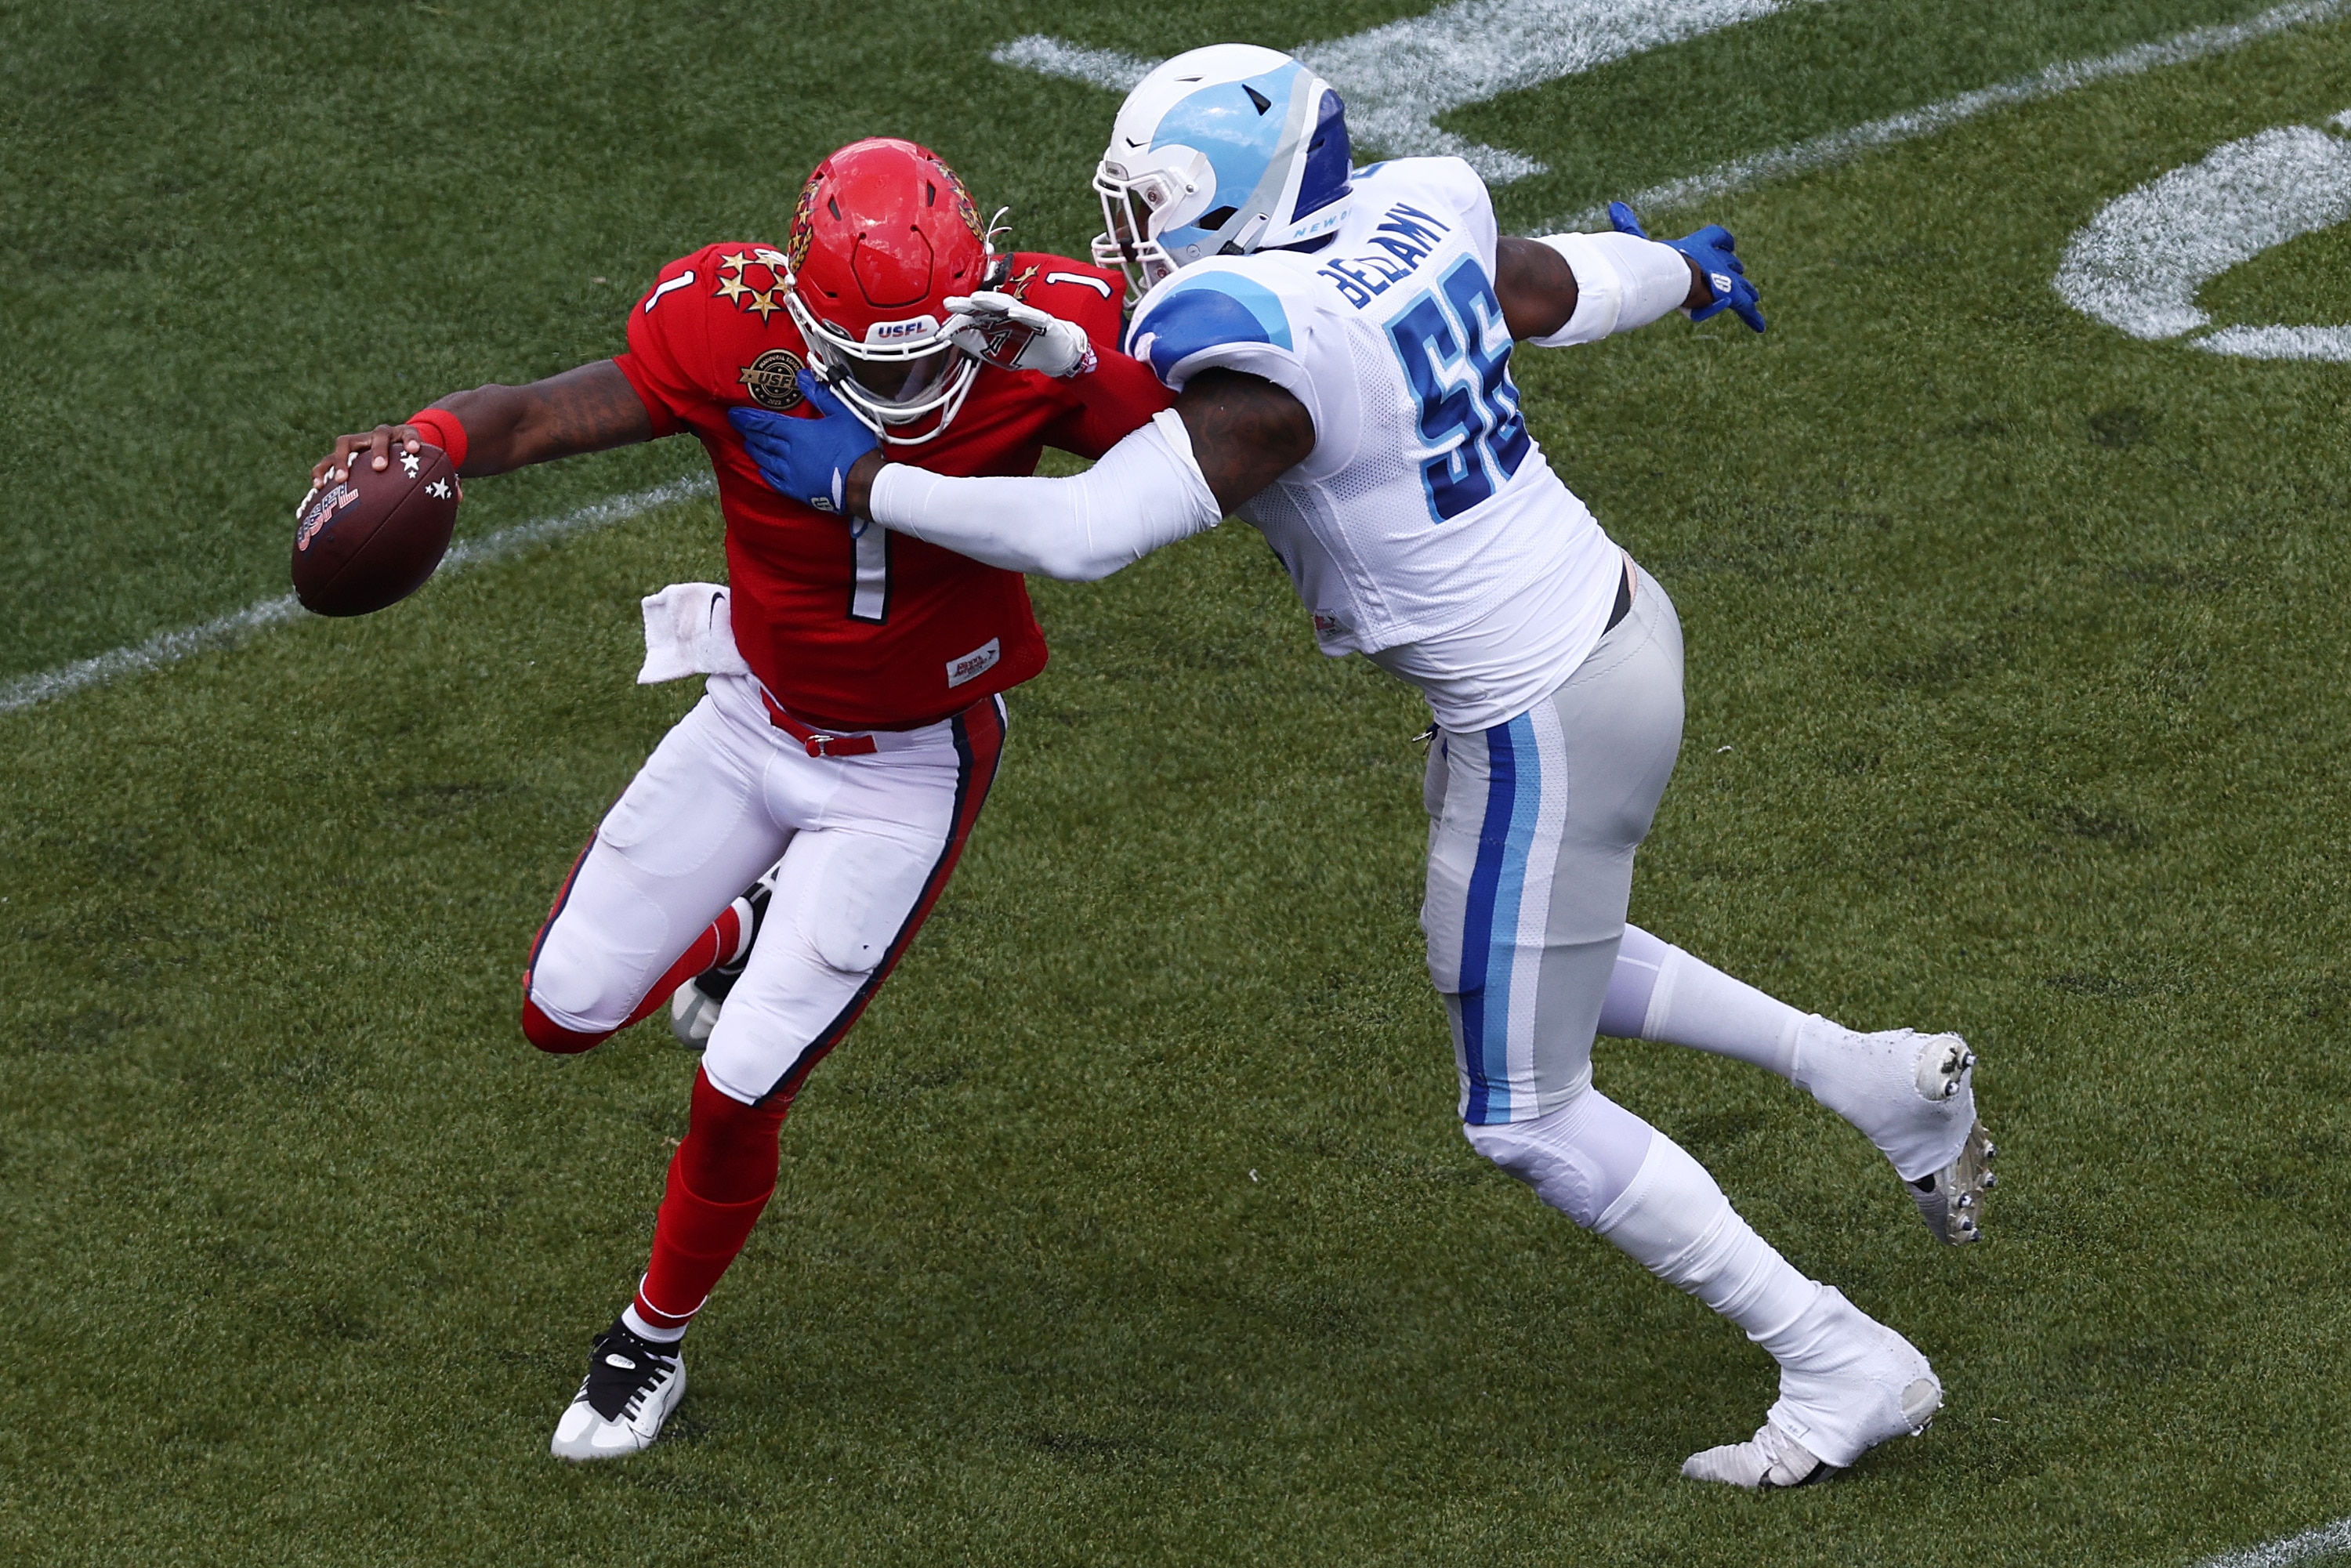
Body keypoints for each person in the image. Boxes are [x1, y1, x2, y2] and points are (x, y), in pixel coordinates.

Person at [726, 45, 1994, 1488]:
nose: (1130, 232)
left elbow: (1085, 533)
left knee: (1524, 1112)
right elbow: (1548, 286)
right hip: (1608, 628)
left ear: (1236, 198)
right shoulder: (1416, 205)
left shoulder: (1264, 340)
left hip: (1540, 714)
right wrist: (1686, 280)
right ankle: (1870, 1075)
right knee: (1490, 955)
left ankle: (1838, 1355)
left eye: (1152, 202)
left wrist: (863, 480)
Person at [310, 136, 1173, 1461]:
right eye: (883, 364)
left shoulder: (1035, 325)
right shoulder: (732, 320)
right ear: (809, 316)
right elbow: (546, 412)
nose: (922, 382)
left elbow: (1176, 455)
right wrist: (429, 440)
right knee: (563, 1013)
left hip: (908, 767)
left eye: (938, 350)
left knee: (740, 1085)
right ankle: (745, 917)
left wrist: (1075, 363)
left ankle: (647, 1341)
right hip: (750, 717)